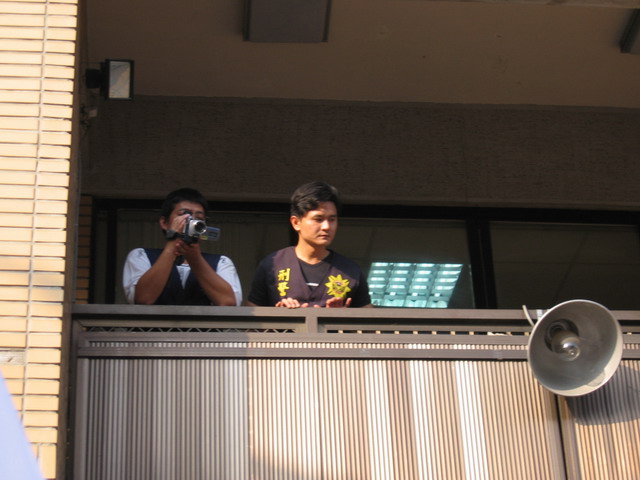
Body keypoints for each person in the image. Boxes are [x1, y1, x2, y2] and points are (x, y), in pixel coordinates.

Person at [248, 181, 372, 308]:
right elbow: (252, 314)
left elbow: (368, 318)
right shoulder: (273, 265)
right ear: (296, 222)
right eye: (318, 219)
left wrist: (342, 317)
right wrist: (279, 315)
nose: (326, 227)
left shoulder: (350, 270)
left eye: (332, 219)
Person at [123, 188, 242, 306]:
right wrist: (172, 245)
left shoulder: (221, 262)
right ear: (164, 223)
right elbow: (143, 299)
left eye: (199, 219)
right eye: (184, 215)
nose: (192, 222)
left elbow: (228, 302)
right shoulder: (141, 255)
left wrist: (195, 259)